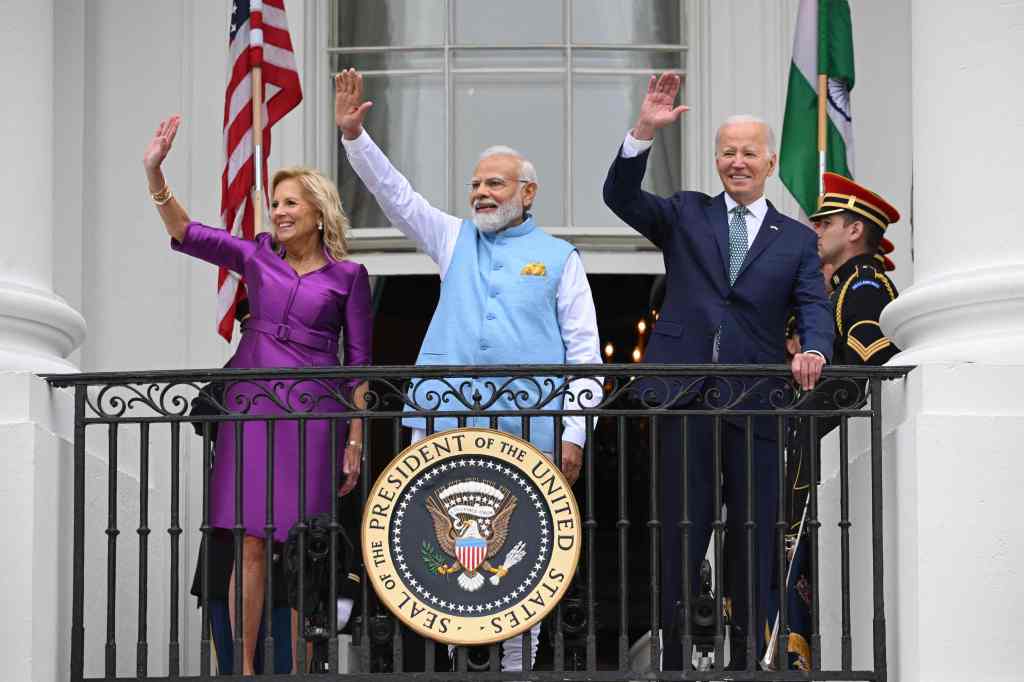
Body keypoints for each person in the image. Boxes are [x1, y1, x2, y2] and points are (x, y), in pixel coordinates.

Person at [334, 68, 602, 672]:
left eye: (495, 184)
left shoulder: (560, 259)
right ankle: (460, 666)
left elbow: (585, 354)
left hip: (528, 430)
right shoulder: (452, 238)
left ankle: (513, 668)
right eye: (476, 184)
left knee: (526, 555)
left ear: (527, 193)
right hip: (443, 424)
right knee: (442, 554)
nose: (480, 192)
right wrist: (355, 138)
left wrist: (574, 431)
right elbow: (396, 195)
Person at [602, 73, 834, 670]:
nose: (737, 162)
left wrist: (815, 349)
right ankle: (676, 661)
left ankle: (745, 660)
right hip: (684, 399)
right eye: (727, 152)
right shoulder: (686, 214)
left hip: (756, 401)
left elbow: (812, 303)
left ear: (770, 161)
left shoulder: (796, 240)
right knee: (682, 535)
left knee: (754, 537)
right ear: (716, 158)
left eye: (748, 152)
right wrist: (643, 132)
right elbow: (621, 198)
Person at [143, 115, 373, 675]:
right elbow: (188, 233)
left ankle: (292, 669)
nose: (280, 211)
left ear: (318, 212)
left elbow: (359, 365)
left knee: (297, 551)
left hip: (315, 416)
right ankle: (242, 670)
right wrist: (155, 172)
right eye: (276, 202)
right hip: (249, 410)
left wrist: (355, 439)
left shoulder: (349, 276)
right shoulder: (256, 256)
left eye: (292, 202)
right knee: (247, 542)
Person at [811, 172, 901, 366]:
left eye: (826, 224)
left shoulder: (865, 286)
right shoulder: (847, 286)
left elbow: (861, 377)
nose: (817, 232)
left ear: (855, 231)